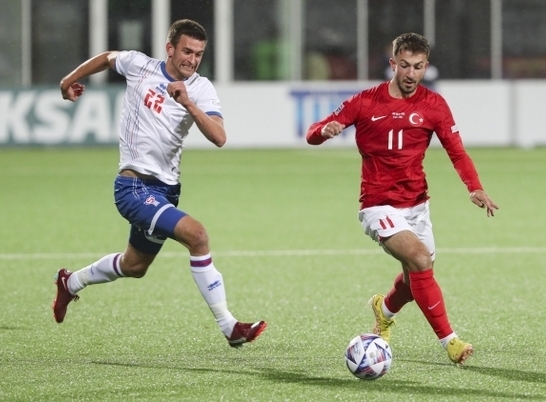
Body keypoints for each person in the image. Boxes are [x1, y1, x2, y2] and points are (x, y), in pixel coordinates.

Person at [53, 19, 267, 347]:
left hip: (166, 191)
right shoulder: (140, 66)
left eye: (198, 54)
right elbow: (108, 58)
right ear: (170, 48)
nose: (192, 60)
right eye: (186, 51)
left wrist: (188, 103)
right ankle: (230, 326)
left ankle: (70, 283)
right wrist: (68, 81)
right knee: (197, 236)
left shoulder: (201, 88)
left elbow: (219, 137)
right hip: (132, 188)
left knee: (135, 265)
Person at [306, 32, 498, 365]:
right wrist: (323, 131)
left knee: (415, 280)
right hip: (378, 204)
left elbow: (456, 151)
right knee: (420, 259)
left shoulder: (434, 105)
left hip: (417, 205)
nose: (411, 74)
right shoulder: (365, 102)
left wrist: (474, 186)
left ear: (426, 66)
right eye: (405, 65)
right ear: (393, 63)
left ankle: (384, 310)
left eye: (418, 67)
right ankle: (450, 342)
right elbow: (313, 132)